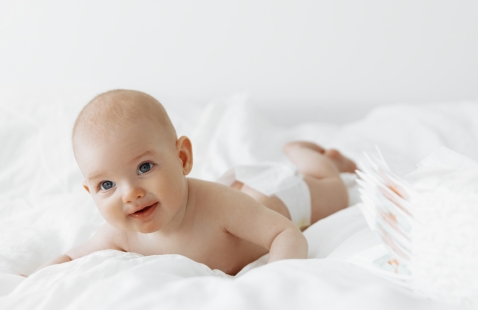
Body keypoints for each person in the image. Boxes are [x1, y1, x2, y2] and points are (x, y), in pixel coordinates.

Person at [31, 89, 357, 276]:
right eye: (107, 186)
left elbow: (285, 232)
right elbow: (72, 259)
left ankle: (305, 153)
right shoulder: (119, 234)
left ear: (182, 158)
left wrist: (277, 281)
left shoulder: (219, 207)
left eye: (145, 167)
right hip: (242, 195)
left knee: (333, 190)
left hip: (279, 197)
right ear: (90, 192)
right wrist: (33, 279)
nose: (131, 193)